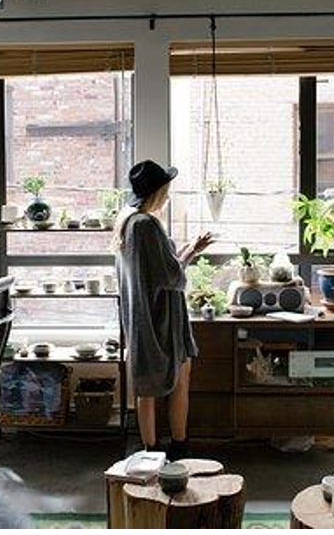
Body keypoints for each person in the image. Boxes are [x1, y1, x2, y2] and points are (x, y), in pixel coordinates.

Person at [112, 160, 213, 460]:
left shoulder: (128, 222)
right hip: (162, 320)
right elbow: (172, 277)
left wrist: (188, 249)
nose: (168, 194)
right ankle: (177, 447)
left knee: (146, 387)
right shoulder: (147, 225)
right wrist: (192, 252)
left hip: (143, 319)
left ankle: (150, 451)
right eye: (166, 188)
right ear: (157, 191)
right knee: (179, 382)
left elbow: (160, 269)